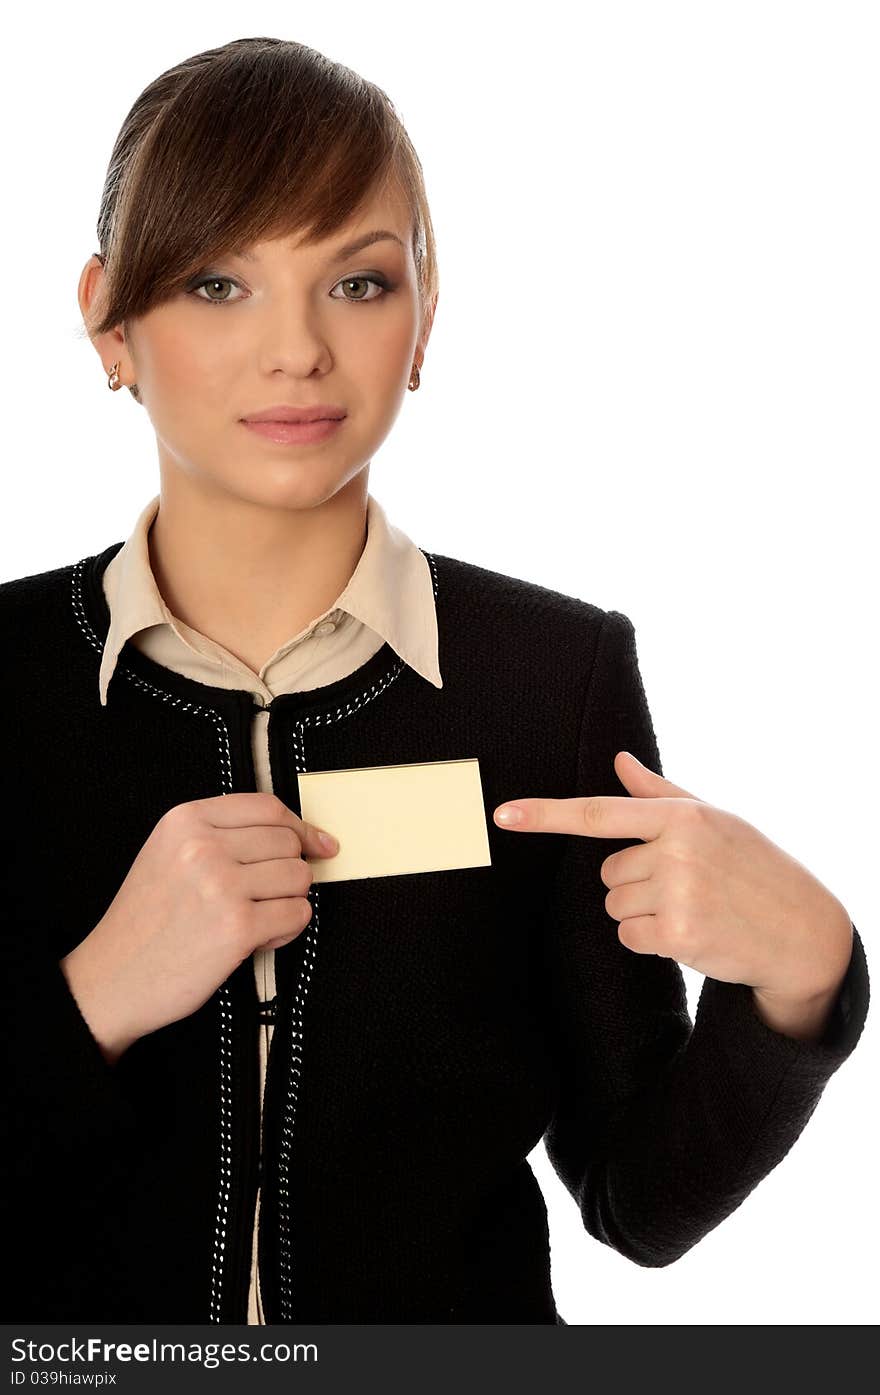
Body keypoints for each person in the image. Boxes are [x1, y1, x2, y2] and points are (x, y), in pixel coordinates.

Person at [0, 36, 868, 1326]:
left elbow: (642, 1202)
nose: (296, 350)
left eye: (355, 283)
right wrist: (98, 997)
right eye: (218, 283)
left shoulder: (553, 674)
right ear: (108, 320)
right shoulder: (3, 683)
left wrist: (804, 982)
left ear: (424, 317)